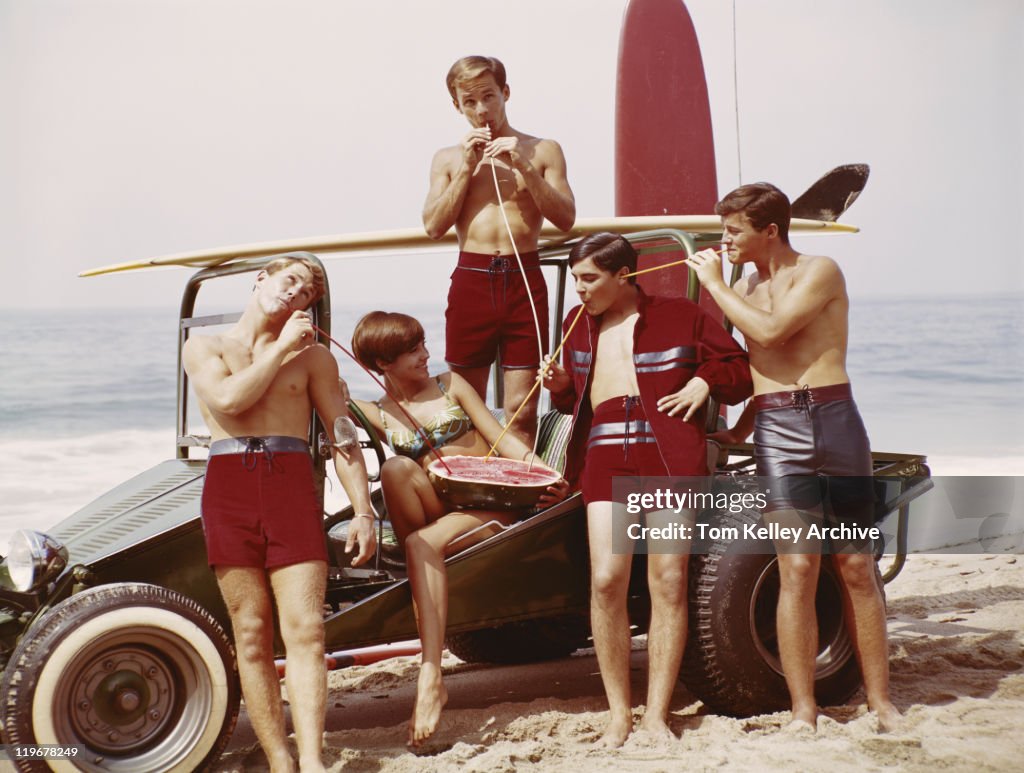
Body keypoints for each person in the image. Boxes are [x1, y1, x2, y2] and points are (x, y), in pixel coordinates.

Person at [685, 182, 902, 733]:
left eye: (734, 230)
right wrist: (741, 427)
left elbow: (775, 332)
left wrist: (712, 283)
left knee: (854, 564)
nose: (725, 240)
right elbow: (755, 364)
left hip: (836, 421)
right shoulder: (744, 288)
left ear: (770, 231)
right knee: (797, 567)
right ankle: (804, 709)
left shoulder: (820, 270)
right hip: (778, 430)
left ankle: (881, 702)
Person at [541, 233, 751, 746]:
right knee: (608, 580)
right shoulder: (577, 324)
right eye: (575, 279)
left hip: (667, 455)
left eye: (589, 279)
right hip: (606, 455)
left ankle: (656, 713)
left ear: (624, 275)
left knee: (668, 579)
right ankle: (619, 713)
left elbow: (739, 373)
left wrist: (704, 382)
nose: (580, 289)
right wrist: (560, 383)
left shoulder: (682, 314)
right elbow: (578, 400)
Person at [183, 256, 377, 773]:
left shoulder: (313, 360)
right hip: (229, 488)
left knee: (307, 629)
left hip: (291, 486)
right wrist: (279, 351)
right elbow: (230, 400)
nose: (297, 294)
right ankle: (279, 759)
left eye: (308, 293)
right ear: (260, 279)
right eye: (290, 280)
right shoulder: (205, 346)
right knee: (250, 633)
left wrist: (364, 511)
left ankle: (311, 759)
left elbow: (343, 435)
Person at [350, 310, 569, 748]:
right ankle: (426, 558)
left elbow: (503, 438)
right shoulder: (377, 412)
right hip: (436, 512)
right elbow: (328, 416)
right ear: (382, 365)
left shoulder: (451, 385)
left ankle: (432, 674)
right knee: (395, 468)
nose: (424, 354)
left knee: (418, 541)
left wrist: (547, 476)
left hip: (491, 506)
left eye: (422, 344)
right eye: (411, 351)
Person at [423, 55, 576, 445]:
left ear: (505, 93)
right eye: (469, 102)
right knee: (465, 405)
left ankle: (521, 500)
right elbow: (434, 226)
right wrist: (466, 168)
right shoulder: (447, 158)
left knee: (521, 408)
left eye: (489, 97)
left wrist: (523, 166)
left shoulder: (543, 150)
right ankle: (472, 489)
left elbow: (566, 218)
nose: (481, 110)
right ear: (457, 105)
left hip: (523, 276)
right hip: (472, 278)